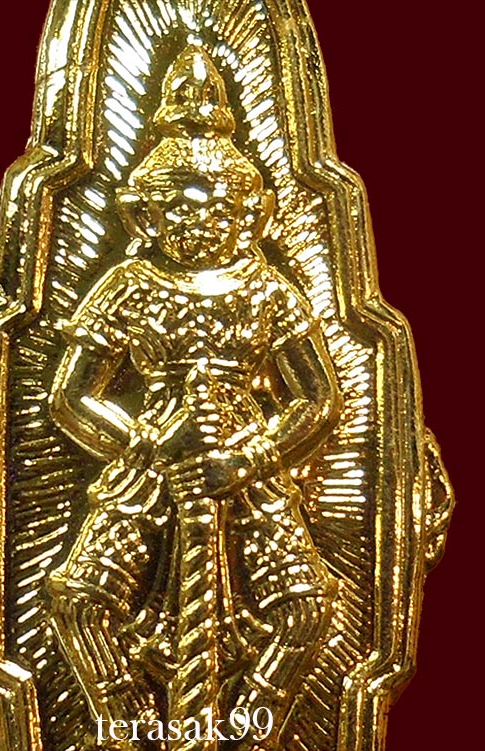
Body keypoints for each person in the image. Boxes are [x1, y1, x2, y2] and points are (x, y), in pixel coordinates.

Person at [48, 44, 341, 750]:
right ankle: (126, 724)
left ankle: (250, 729)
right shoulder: (129, 286)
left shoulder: (268, 290)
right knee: (79, 602)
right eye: (178, 205)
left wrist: (247, 459)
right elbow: (71, 397)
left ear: (251, 213)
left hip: (245, 459)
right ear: (145, 216)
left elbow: (318, 400)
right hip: (150, 456)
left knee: (307, 608)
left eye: (218, 206)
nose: (199, 220)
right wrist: (149, 445)